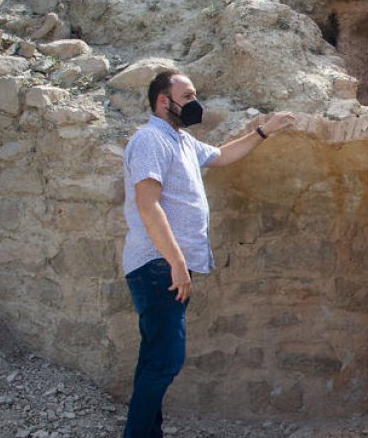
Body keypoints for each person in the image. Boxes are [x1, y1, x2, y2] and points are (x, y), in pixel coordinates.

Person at [120, 69, 295, 437]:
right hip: (159, 265)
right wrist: (177, 263)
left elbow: (222, 155)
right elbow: (148, 206)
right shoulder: (151, 139)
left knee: (155, 358)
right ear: (163, 100)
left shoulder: (182, 141)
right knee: (166, 361)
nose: (196, 102)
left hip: (165, 266)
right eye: (188, 95)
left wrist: (265, 130)